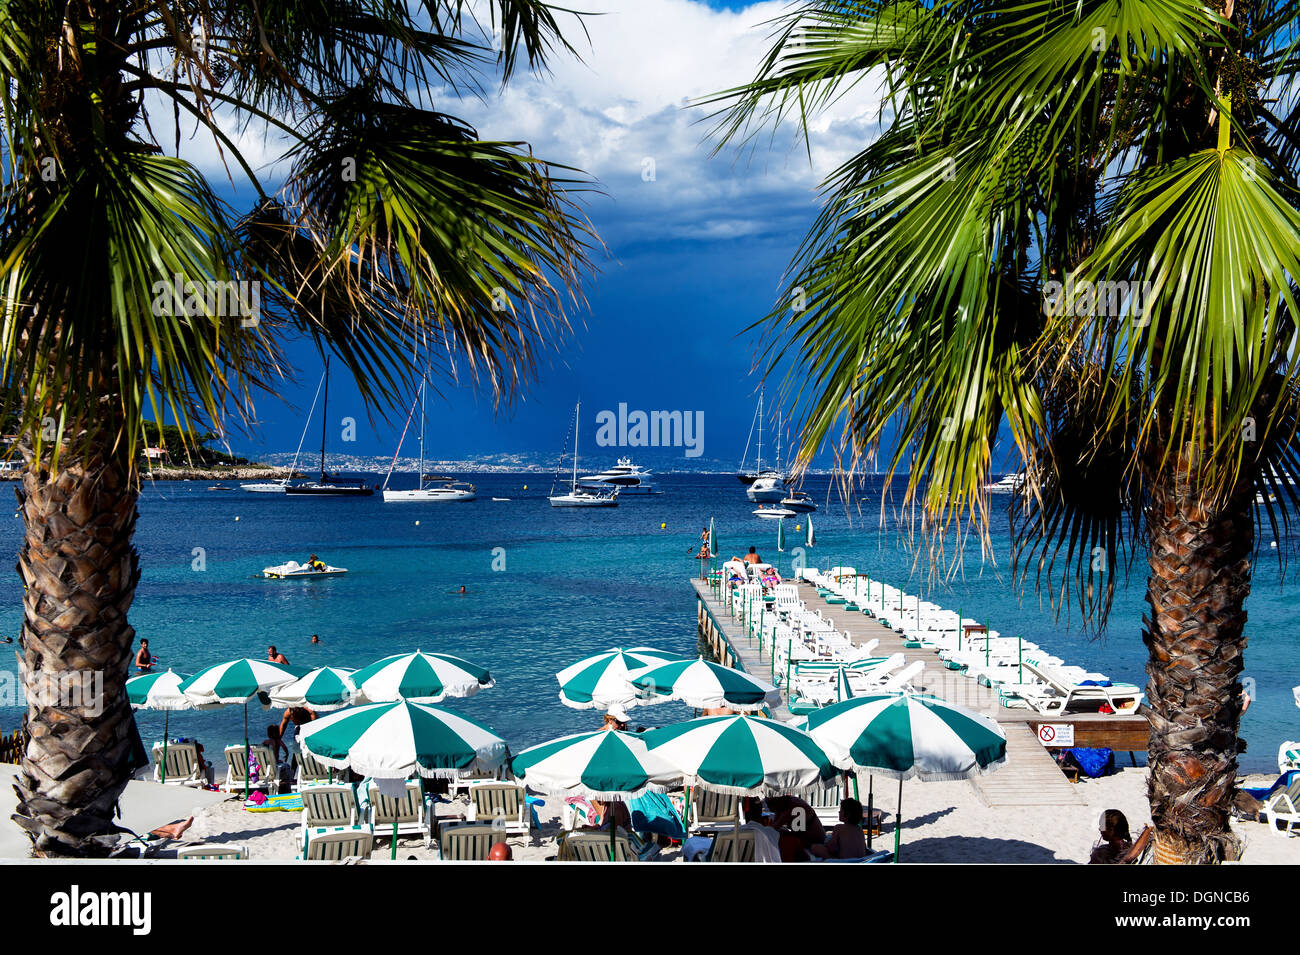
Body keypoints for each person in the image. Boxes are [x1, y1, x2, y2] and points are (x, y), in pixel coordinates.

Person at [767, 794, 826, 862]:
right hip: (805, 836)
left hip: (814, 840)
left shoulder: (794, 806)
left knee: (781, 840)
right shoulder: (786, 802)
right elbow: (775, 824)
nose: (770, 809)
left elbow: (774, 827)